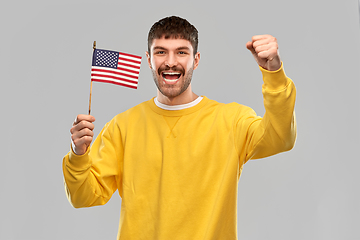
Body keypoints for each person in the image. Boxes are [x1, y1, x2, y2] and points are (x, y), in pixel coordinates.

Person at [63, 16, 296, 240]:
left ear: (196, 59)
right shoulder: (122, 126)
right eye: (161, 51)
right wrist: (79, 154)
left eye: (181, 52)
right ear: (148, 59)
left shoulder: (231, 120)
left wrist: (274, 74)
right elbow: (83, 196)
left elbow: (280, 137)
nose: (171, 61)